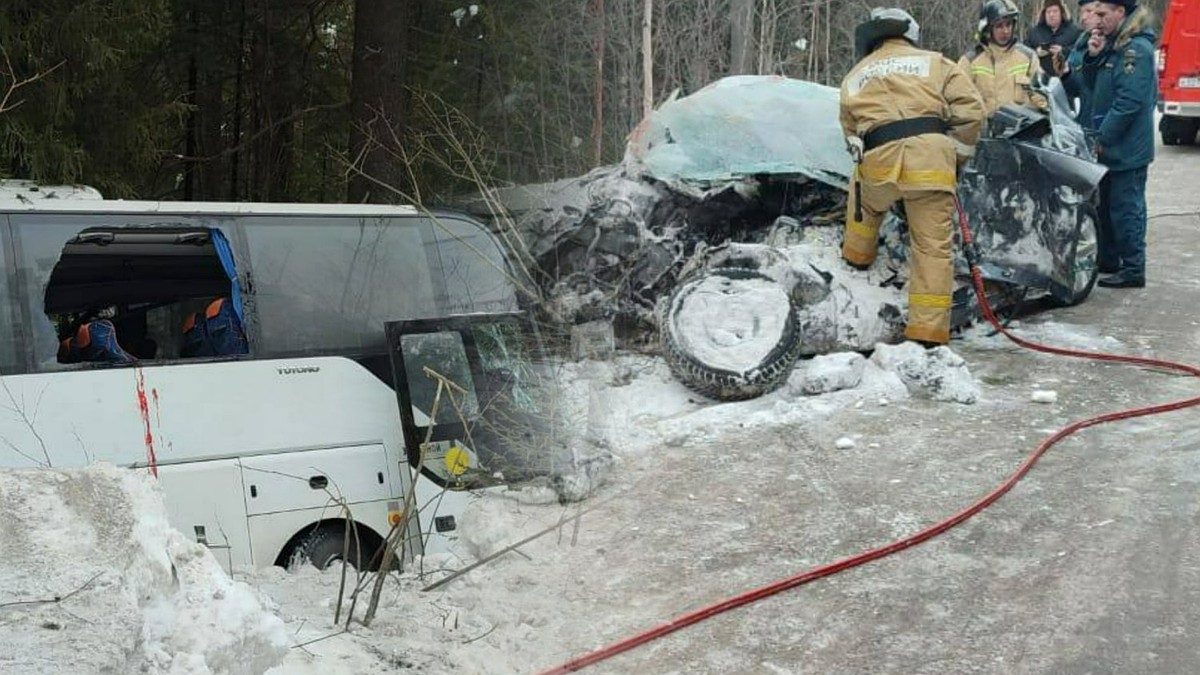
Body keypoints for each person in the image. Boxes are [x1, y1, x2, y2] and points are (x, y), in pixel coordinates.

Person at [840, 8, 984, 346]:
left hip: (878, 165)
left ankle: (857, 256)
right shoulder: (937, 63)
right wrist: (957, 155)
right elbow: (972, 111)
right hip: (930, 164)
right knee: (932, 248)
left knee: (861, 195)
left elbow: (850, 135)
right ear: (909, 36)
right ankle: (927, 333)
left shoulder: (855, 75)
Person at [1061, 0, 1157, 288]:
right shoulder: (1112, 44)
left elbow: (1129, 103)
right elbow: (1089, 86)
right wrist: (1092, 57)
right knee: (1107, 208)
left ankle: (1133, 268)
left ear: (1121, 13)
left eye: (1103, 14)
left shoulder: (1135, 50)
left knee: (1126, 209)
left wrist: (1102, 138)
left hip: (1126, 148)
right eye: (1096, 14)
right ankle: (1110, 260)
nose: (1097, 20)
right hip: (1108, 145)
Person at [960, 0, 1048, 115]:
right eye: (999, 26)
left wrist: (1049, 113)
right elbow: (960, 101)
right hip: (984, 130)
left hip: (1022, 130)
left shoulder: (1028, 57)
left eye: (1008, 24)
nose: (1005, 31)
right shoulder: (969, 61)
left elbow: (1040, 96)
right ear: (987, 29)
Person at [1026, 0, 1083, 74]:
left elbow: (1081, 51)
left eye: (1055, 11)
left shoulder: (1074, 31)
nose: (1051, 15)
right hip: (1042, 77)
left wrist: (1063, 51)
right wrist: (1036, 52)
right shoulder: (1034, 32)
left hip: (1067, 78)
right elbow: (1024, 51)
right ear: (1044, 14)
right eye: (1048, 12)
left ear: (1061, 13)